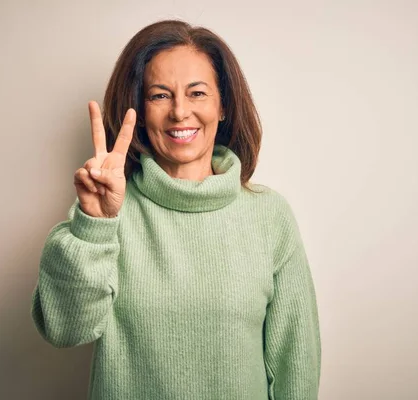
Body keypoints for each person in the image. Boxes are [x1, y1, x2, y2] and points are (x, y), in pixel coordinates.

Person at [31, 19, 321, 400]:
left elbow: (295, 364)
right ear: (138, 109)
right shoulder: (104, 212)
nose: (180, 112)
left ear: (223, 106)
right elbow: (64, 331)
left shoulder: (269, 216)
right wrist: (93, 226)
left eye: (197, 93)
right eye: (160, 95)